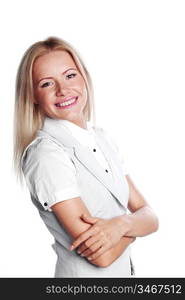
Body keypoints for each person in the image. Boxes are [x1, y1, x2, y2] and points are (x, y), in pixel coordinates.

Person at [13, 36, 159, 277]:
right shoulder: (46, 154)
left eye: (70, 76)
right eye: (47, 83)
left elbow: (151, 216)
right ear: (33, 97)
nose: (63, 90)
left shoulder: (103, 139)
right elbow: (101, 256)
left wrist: (120, 226)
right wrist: (136, 227)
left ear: (84, 78)